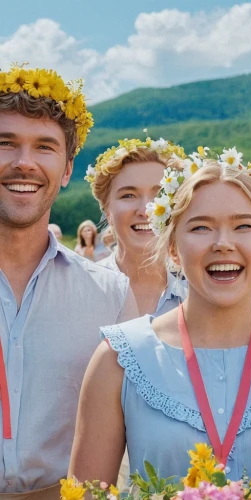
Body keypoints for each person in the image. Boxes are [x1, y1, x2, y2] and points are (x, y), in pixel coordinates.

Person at [69, 148, 251, 499]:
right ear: (173, 249)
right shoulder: (117, 358)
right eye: (201, 227)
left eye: (244, 226)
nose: (223, 244)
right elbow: (85, 495)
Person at [0, 64, 137, 498]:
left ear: (66, 169)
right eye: (5, 144)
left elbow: (134, 441)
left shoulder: (113, 297)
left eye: (44, 147)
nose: (24, 163)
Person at [86, 137, 188, 315]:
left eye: (159, 195)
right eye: (129, 195)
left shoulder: (200, 290)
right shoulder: (83, 288)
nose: (146, 210)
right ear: (107, 210)